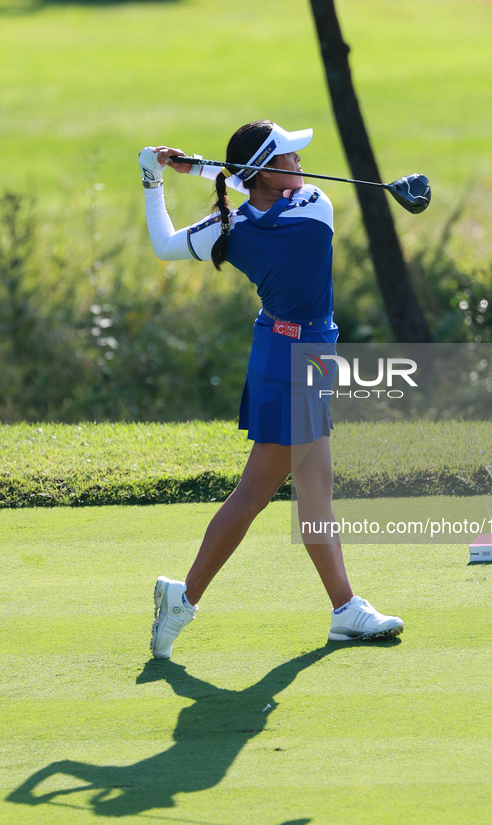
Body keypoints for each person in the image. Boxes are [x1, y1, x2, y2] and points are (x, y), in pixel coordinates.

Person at [138, 120, 404, 659]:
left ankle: (344, 608)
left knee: (316, 487)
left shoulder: (228, 229)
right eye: (289, 156)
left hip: (303, 353)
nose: (301, 164)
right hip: (294, 361)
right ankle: (183, 598)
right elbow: (261, 191)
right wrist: (204, 169)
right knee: (258, 492)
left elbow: (168, 244)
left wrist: (157, 180)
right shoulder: (316, 209)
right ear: (268, 170)